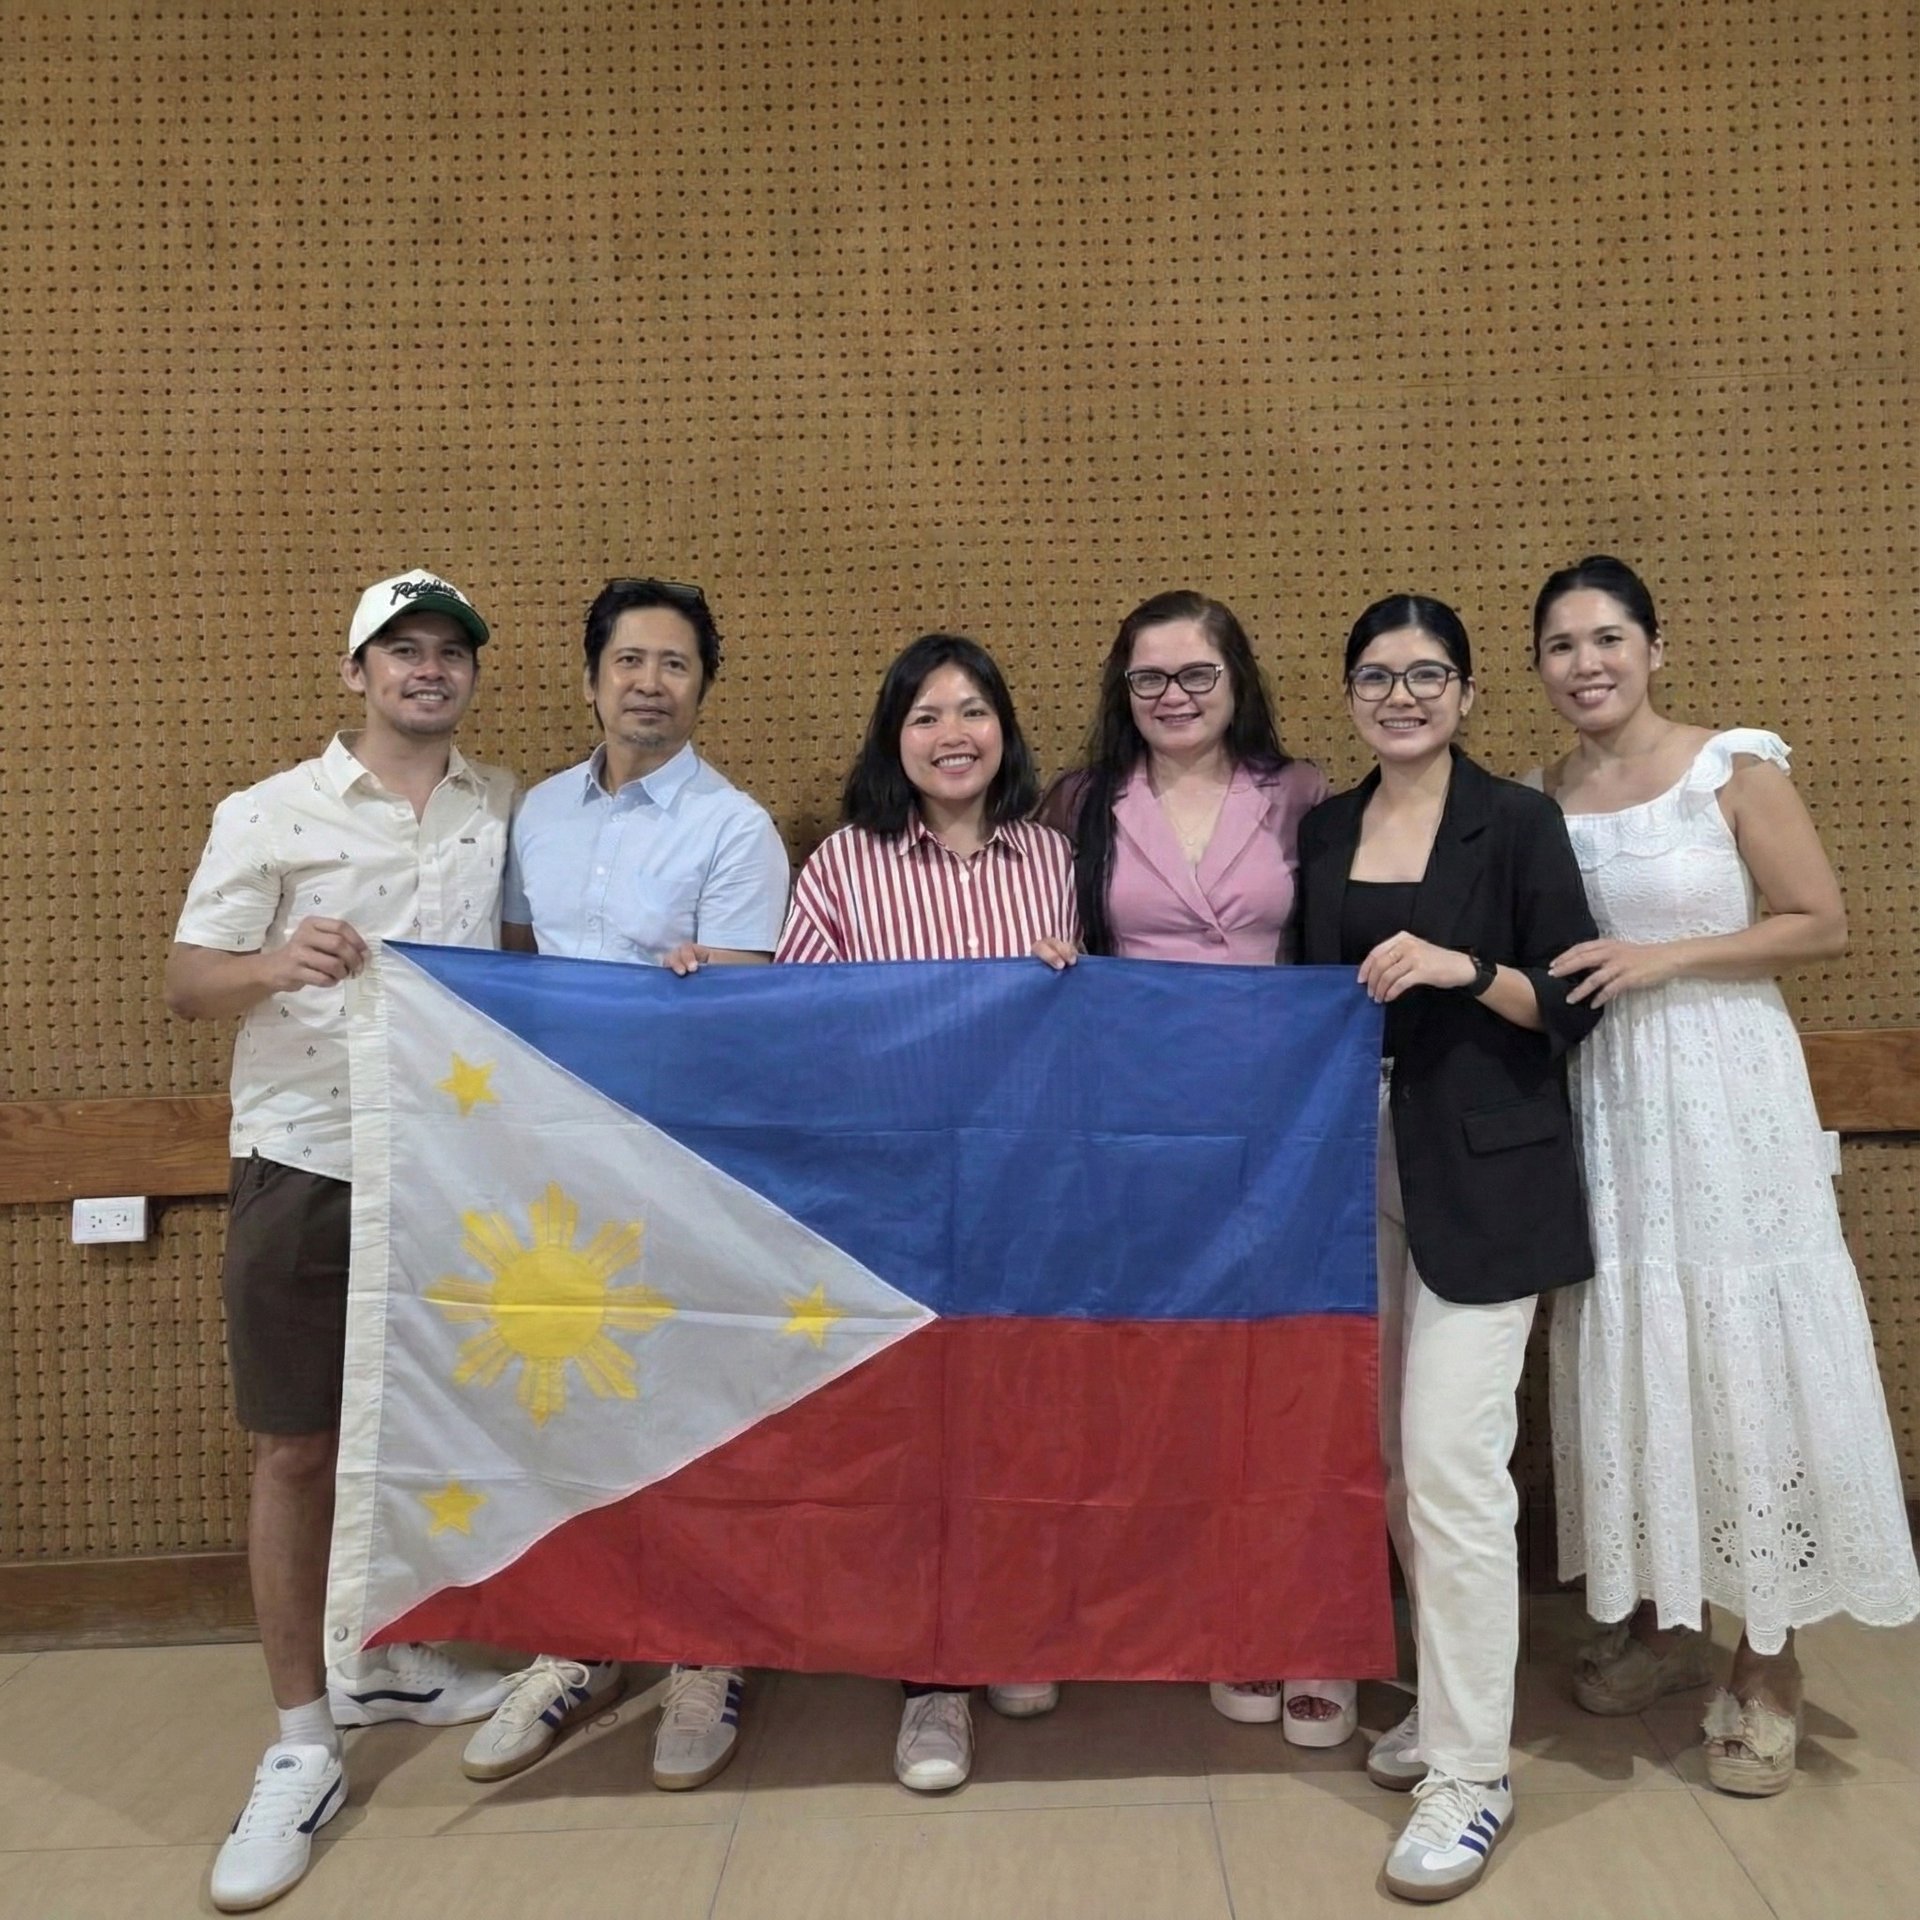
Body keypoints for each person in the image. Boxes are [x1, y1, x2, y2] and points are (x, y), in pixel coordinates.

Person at [1529, 555, 1920, 1795]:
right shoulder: (1540, 796)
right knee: (1639, 1343)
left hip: (1725, 1092)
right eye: (1561, 645)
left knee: (1743, 1345)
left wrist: (1666, 958)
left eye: (1608, 638)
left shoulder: (1732, 766)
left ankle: (1769, 1660)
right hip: (1608, 1105)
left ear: (1654, 645)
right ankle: (1658, 1618)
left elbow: (1818, 919)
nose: (1587, 664)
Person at [166, 569, 518, 1913]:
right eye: (402, 652)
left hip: (452, 1171)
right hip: (307, 1163)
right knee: (297, 1445)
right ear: (356, 671)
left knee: (422, 1428)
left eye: (449, 653)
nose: (428, 671)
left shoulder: (497, 810)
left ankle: (389, 1655)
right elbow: (188, 977)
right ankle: (303, 1741)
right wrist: (274, 964)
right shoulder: (269, 813)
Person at [461, 576, 791, 1793]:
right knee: (575, 1408)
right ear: (592, 675)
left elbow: (746, 1007)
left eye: (676, 665)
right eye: (630, 661)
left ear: (704, 687)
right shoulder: (534, 813)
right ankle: (584, 1640)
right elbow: (508, 972)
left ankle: (707, 1651)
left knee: (689, 1406)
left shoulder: (733, 826)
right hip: (550, 1174)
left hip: (683, 1164)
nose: (650, 682)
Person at [1295, 594, 1601, 1903]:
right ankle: (1442, 1695)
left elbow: (1569, 999)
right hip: (1348, 1174)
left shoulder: (1520, 822)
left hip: (1488, 1183)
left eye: (1429, 675)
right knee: (1384, 1463)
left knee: (1451, 1464)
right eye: (1378, 675)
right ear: (1352, 694)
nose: (1403, 695)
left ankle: (1474, 1774)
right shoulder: (1324, 828)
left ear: (1469, 693)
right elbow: (1296, 1003)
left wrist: (1464, 968)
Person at [1037, 589, 1350, 1744]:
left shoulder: (1305, 794)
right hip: (1136, 1140)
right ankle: (1201, 1611)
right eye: (1149, 680)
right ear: (1124, 694)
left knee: (1293, 1383)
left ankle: (1304, 1628)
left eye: (1196, 677)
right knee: (1171, 1382)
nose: (1173, 699)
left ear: (1238, 681)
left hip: (1290, 1136)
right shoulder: (1078, 806)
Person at [775, 630, 1077, 1791]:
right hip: (893, 1196)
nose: (952, 736)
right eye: (925, 717)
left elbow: (1083, 1031)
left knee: (1013, 1417)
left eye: (972, 712)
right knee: (915, 1436)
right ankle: (931, 1680)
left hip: (1021, 1192)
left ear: (1003, 729)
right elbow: (801, 1028)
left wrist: (1069, 979)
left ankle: (1003, 1628)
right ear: (893, 741)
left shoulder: (1049, 860)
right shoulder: (845, 865)